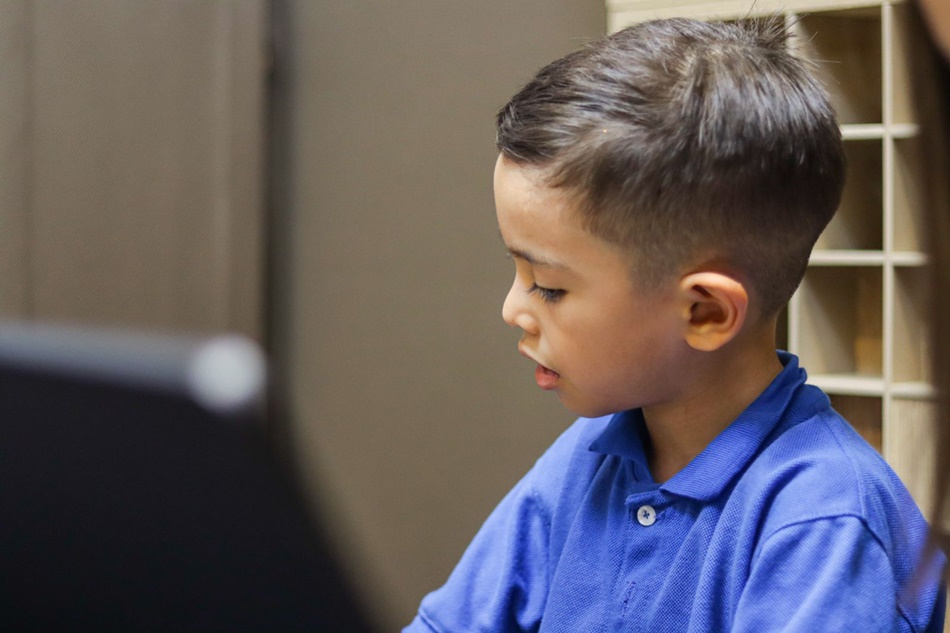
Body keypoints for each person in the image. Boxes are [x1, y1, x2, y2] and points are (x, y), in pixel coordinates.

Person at [404, 16, 946, 632]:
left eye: (549, 286)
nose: (512, 310)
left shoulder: (826, 524)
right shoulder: (590, 456)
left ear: (705, 312)